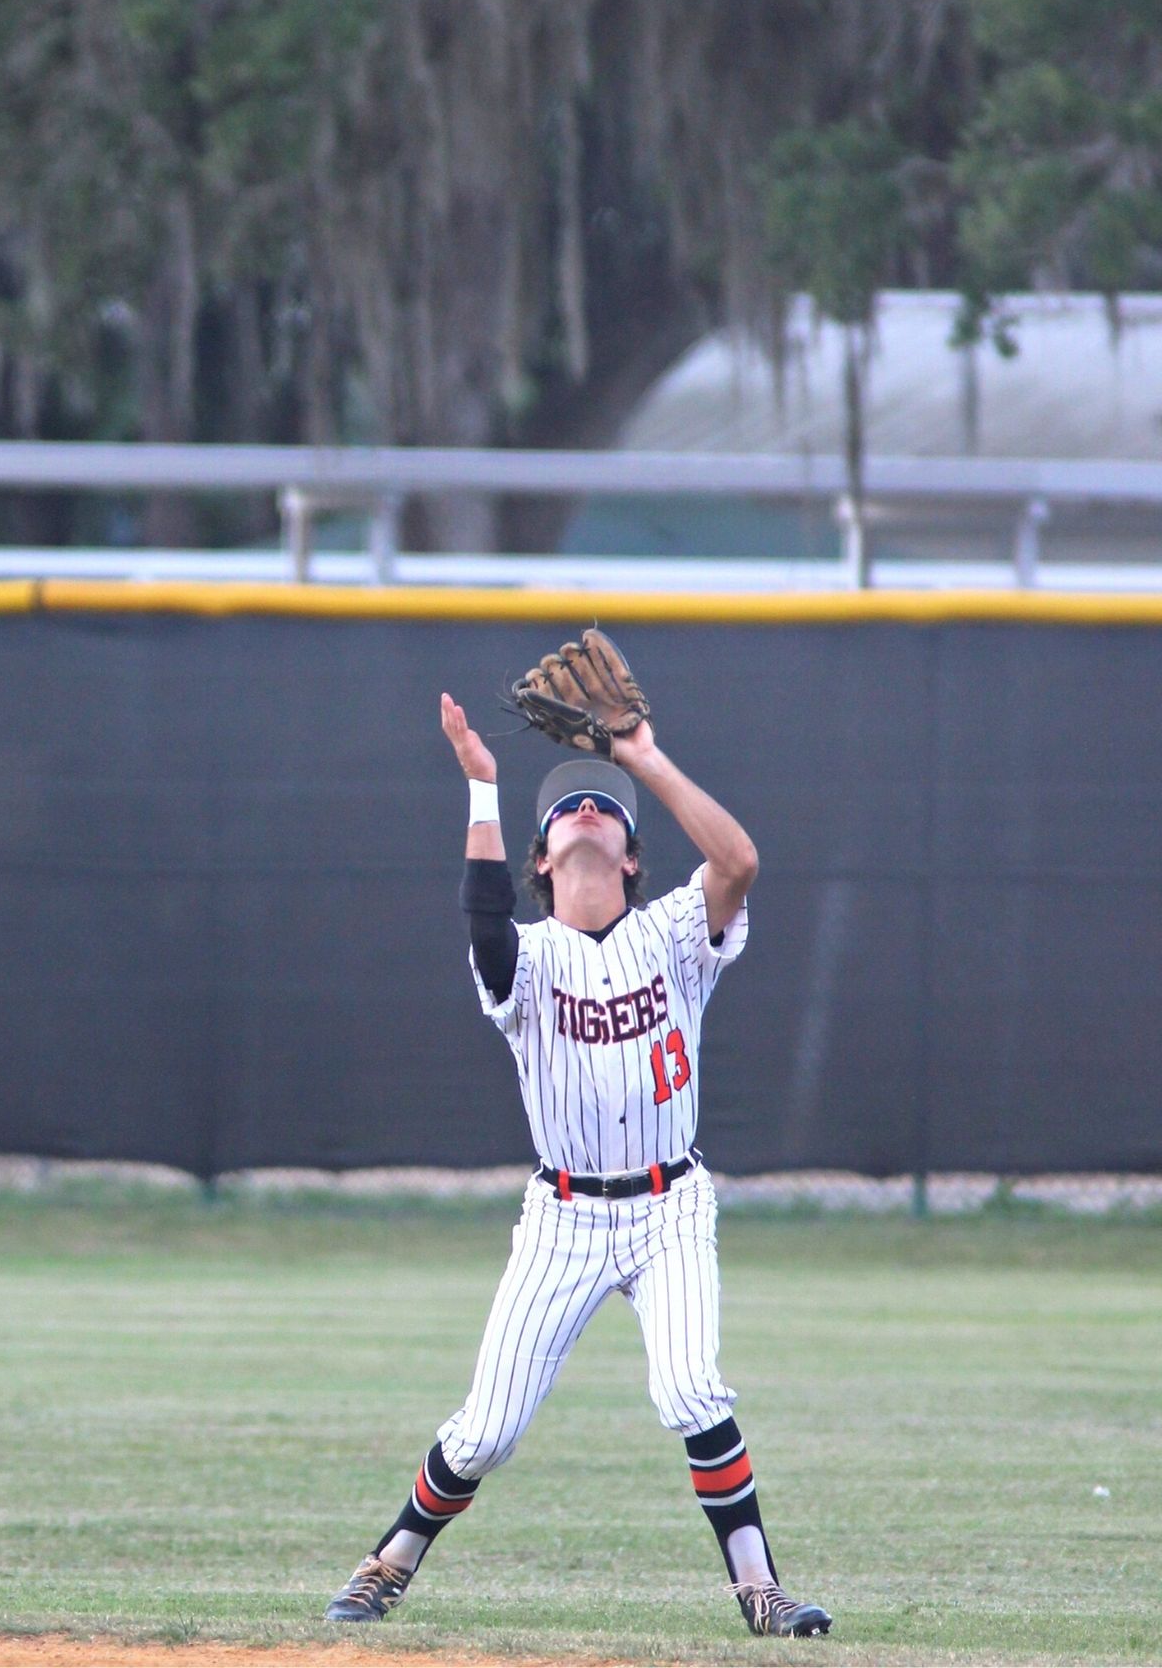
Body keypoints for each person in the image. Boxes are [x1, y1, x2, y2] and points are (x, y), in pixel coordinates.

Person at [323, 693, 829, 1639]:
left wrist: (642, 758)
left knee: (690, 1389)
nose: (585, 811)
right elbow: (481, 922)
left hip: (669, 1203)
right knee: (486, 1430)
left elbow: (741, 862)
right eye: (565, 810)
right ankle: (388, 1562)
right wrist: (483, 788)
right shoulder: (524, 958)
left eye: (604, 810)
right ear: (543, 859)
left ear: (632, 857)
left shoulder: (676, 935)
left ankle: (762, 1591)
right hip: (562, 1217)